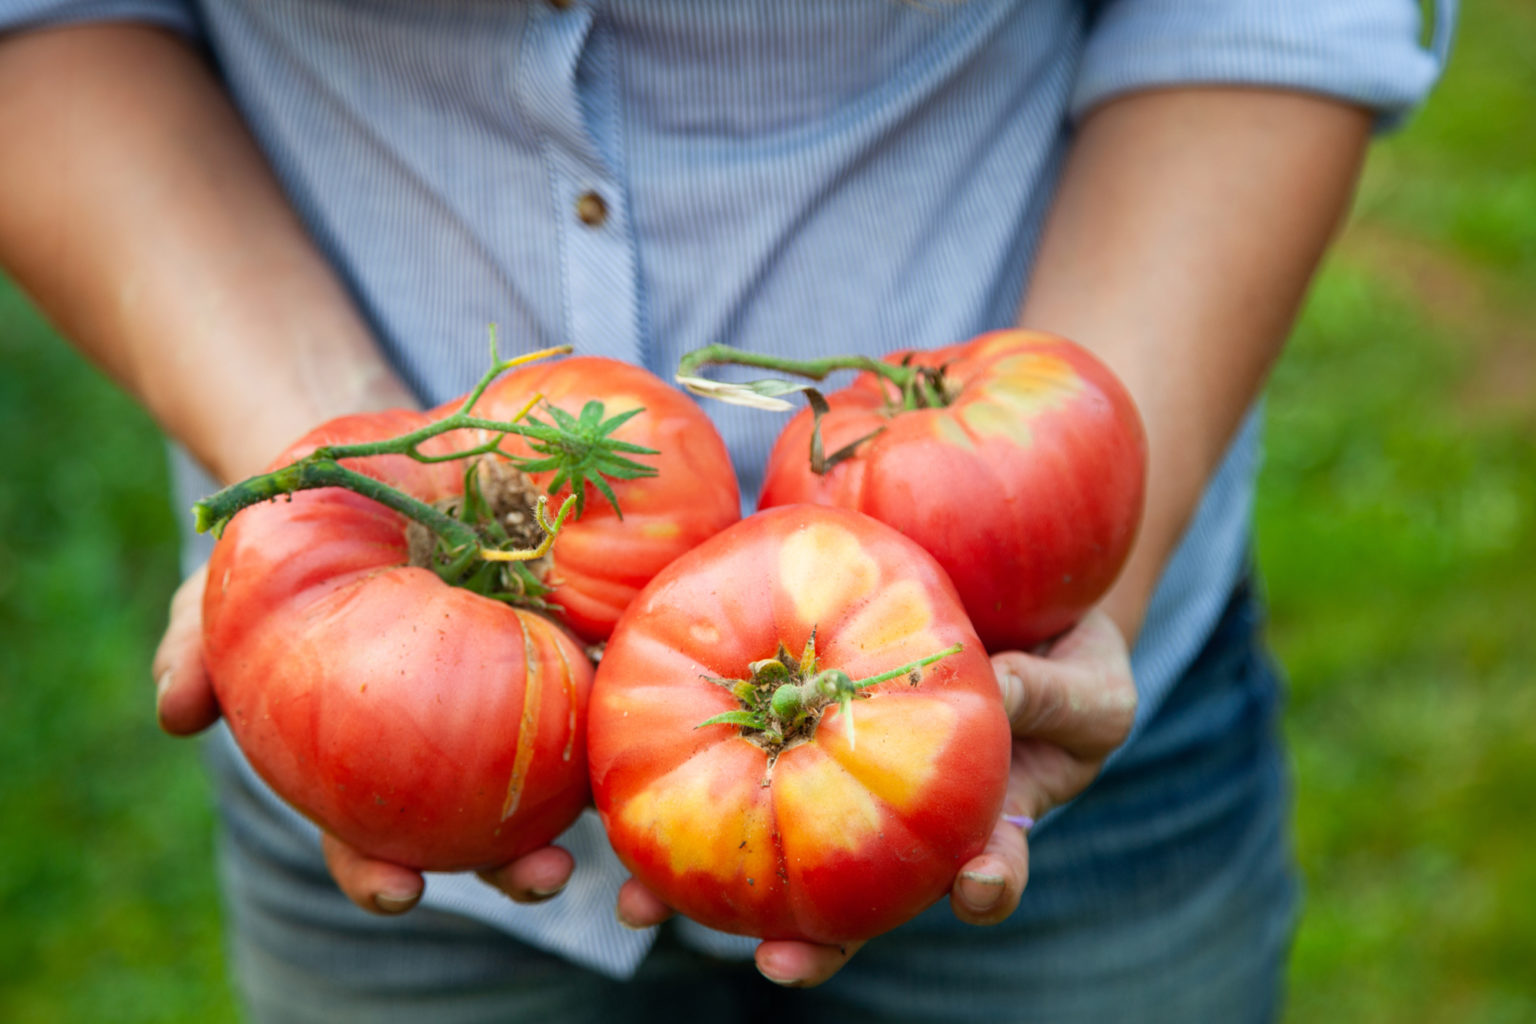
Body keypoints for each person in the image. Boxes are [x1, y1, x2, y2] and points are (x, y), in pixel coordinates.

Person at [0, 2, 1453, 1020]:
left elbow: (1274, 13)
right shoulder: (382, 583)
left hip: (1057, 743)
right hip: (398, 808)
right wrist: (330, 484)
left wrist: (1082, 603)